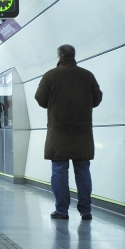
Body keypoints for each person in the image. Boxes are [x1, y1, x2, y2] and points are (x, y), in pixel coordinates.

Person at [34, 44, 102, 220]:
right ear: (73, 56)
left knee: (59, 170)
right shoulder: (87, 75)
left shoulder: (51, 75)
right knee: (83, 170)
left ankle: (62, 210)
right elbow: (97, 99)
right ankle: (85, 211)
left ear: (59, 57)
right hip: (82, 132)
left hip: (59, 132)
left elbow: (40, 100)